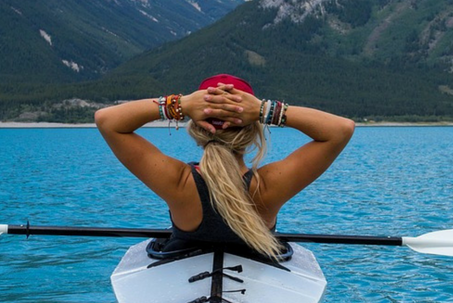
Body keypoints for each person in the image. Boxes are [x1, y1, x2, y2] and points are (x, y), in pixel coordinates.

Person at [94, 74, 355, 259]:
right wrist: (265, 109)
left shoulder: (177, 182)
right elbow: (341, 129)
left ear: (196, 127)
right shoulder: (268, 187)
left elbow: (107, 120)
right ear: (254, 129)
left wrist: (180, 104)